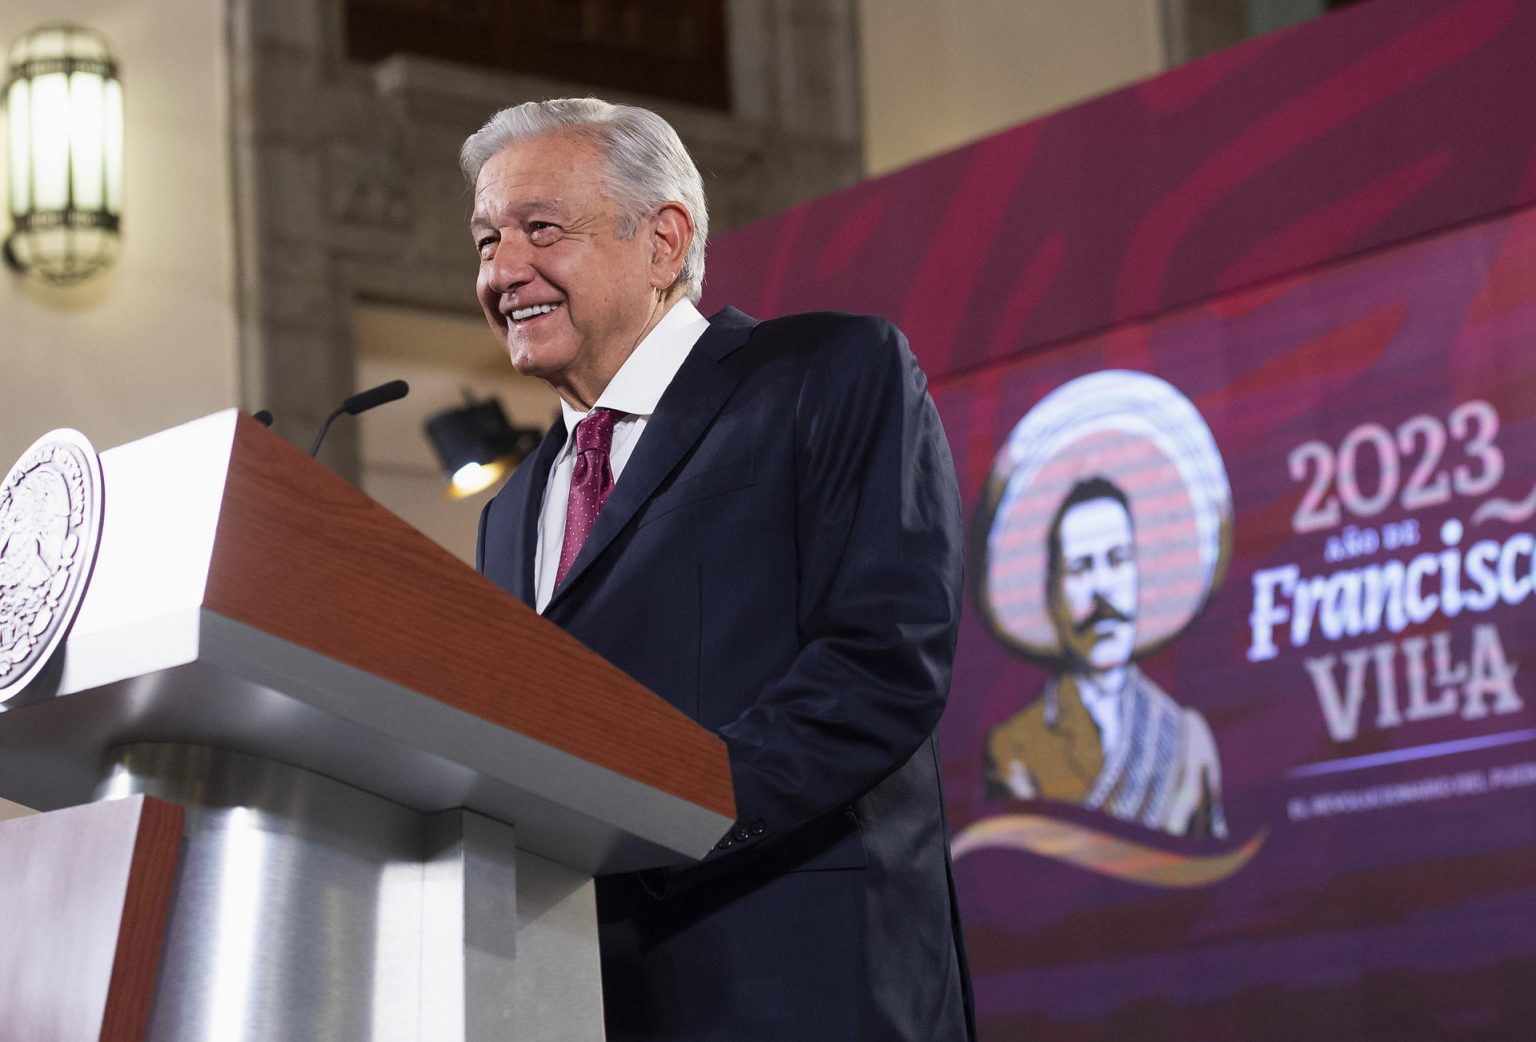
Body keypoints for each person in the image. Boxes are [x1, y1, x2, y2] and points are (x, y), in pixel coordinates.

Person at [465, 98, 974, 1042]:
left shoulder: (829, 373)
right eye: (487, 240)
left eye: (541, 229)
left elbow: (882, 661)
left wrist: (642, 814)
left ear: (664, 241)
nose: (504, 271)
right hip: (578, 1000)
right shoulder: (511, 512)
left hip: (801, 986)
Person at [985, 476, 1227, 837]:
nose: (1103, 589)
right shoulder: (1015, 749)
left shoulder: (1187, 739)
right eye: (1081, 568)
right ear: (1053, 592)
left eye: (1118, 560)